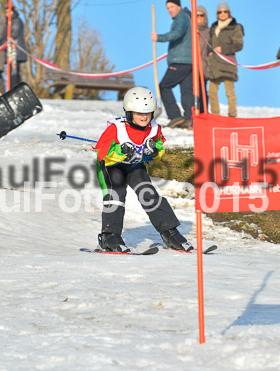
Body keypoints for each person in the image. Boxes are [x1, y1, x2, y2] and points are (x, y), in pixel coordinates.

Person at [94, 86, 194, 252]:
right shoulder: (116, 128)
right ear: (129, 112)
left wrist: (153, 151)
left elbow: (159, 148)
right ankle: (109, 236)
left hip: (135, 166)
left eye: (147, 113)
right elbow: (102, 155)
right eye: (139, 113)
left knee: (148, 194)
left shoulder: (153, 129)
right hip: (112, 167)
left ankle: (169, 232)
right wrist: (121, 151)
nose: (144, 117)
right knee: (116, 194)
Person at [151, 0, 194, 129]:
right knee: (186, 90)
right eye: (168, 8)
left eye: (172, 6)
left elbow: (177, 33)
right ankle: (188, 119)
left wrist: (159, 37)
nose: (170, 10)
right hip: (188, 61)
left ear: (178, 6)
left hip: (180, 60)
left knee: (164, 86)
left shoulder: (181, 18)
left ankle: (175, 116)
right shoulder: (187, 17)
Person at [207, 1, 244, 118]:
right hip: (215, 65)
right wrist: (209, 52)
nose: (222, 13)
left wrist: (223, 49)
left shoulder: (235, 27)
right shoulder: (214, 27)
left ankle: (232, 116)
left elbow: (239, 45)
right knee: (212, 91)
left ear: (229, 12)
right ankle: (215, 116)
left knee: (230, 93)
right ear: (217, 14)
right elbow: (210, 42)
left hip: (228, 63)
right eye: (220, 12)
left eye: (225, 11)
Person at [0, 6, 27, 89]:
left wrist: (9, 39)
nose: (7, 14)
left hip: (15, 51)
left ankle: (15, 88)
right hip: (9, 50)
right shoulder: (8, 23)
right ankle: (13, 87)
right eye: (6, 12)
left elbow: (15, 33)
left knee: (14, 72)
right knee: (11, 72)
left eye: (8, 12)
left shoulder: (16, 21)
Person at [196, 5, 211, 112]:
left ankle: (203, 111)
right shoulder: (190, 31)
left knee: (202, 90)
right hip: (191, 66)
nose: (199, 18)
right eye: (197, 15)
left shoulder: (209, 31)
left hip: (204, 65)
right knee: (190, 92)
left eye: (201, 15)